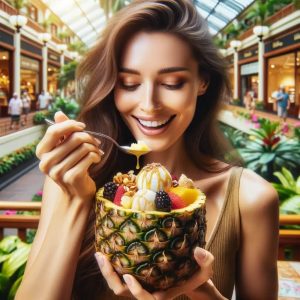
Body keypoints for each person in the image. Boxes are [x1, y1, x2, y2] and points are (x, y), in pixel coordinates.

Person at [16, 1, 279, 299]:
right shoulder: (73, 180)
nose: (149, 104)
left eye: (172, 82)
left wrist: (203, 295)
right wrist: (76, 202)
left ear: (202, 81)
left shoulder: (251, 199)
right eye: (129, 83)